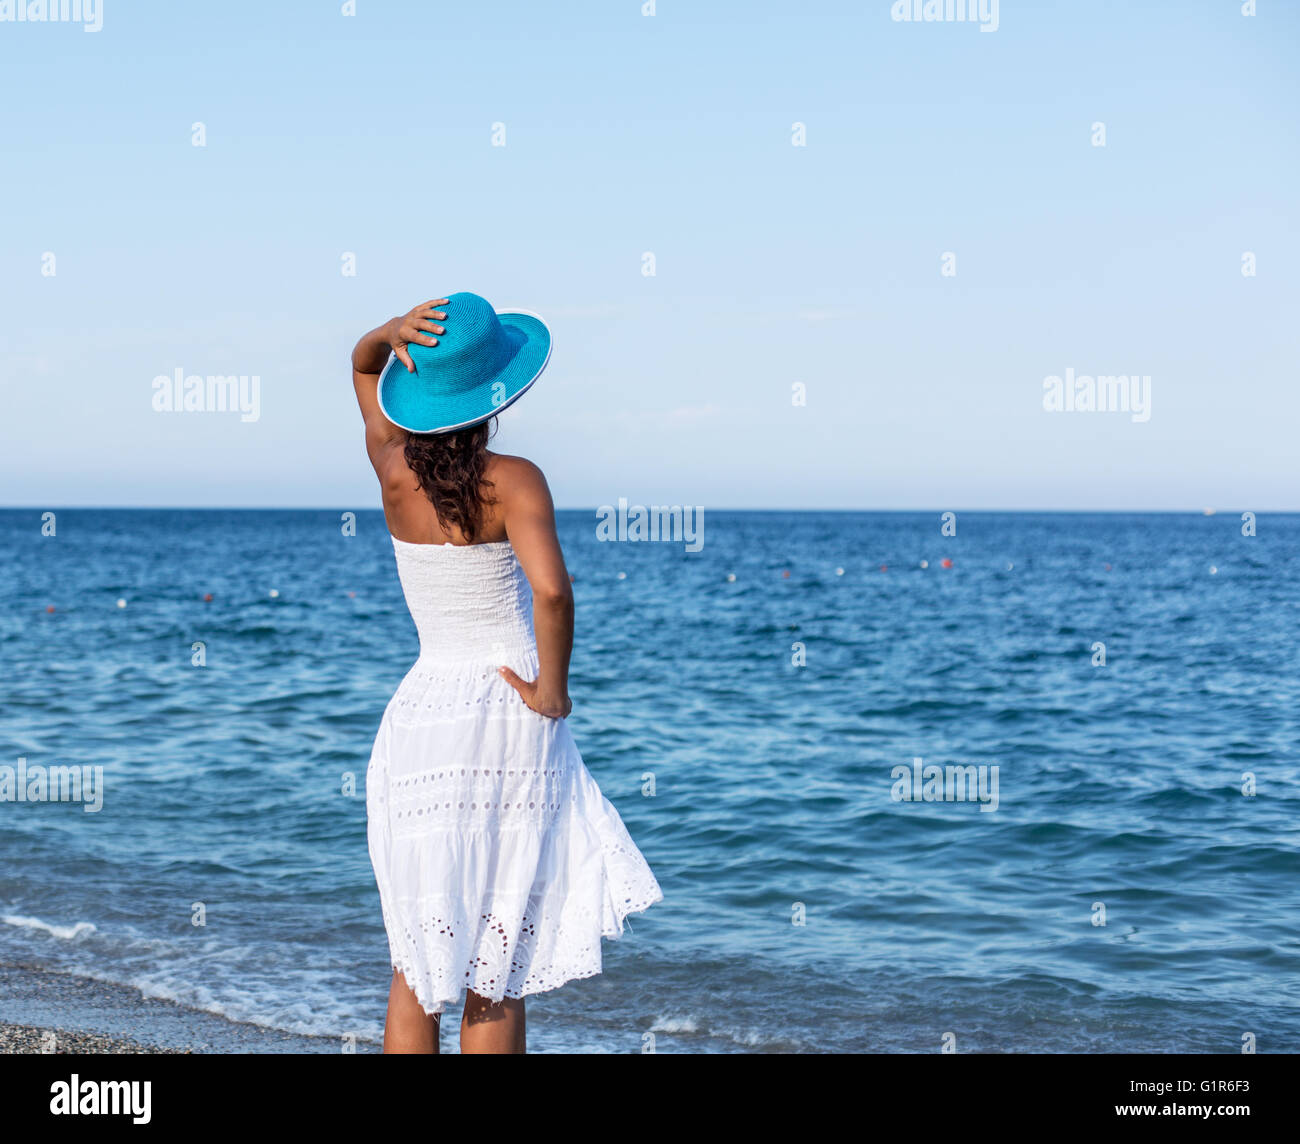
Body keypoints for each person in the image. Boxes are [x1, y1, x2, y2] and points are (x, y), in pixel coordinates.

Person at [351, 292, 662, 1053]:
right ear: (495, 392)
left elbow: (360, 366)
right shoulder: (515, 480)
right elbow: (553, 591)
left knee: (417, 956)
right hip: (505, 713)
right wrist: (551, 692)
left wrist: (388, 335)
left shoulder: (391, 469)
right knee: (498, 957)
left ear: (420, 392)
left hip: (423, 715)